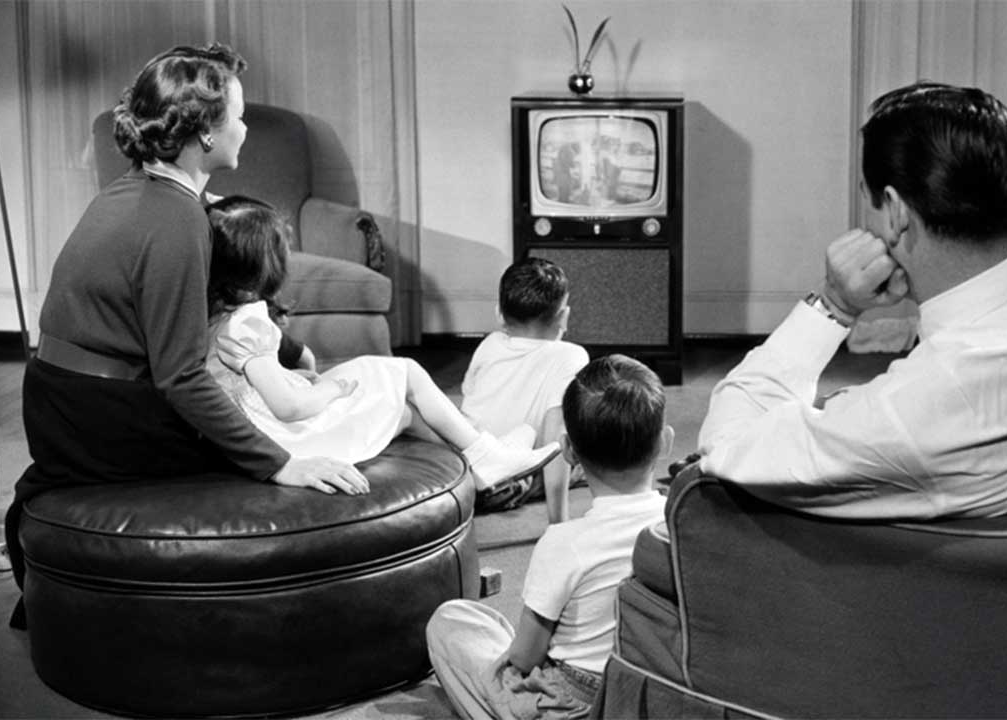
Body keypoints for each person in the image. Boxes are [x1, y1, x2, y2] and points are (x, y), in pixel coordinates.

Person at [3, 44, 366, 628]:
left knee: (252, 415)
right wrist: (278, 465)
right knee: (280, 433)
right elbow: (180, 376)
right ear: (205, 134)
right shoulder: (176, 221)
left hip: (59, 397)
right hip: (101, 414)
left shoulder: (140, 187)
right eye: (239, 117)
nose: (245, 129)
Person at [696, 80, 1007, 519]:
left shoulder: (903, 417)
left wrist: (834, 305)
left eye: (867, 201)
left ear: (895, 212)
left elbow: (725, 444)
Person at [205, 195, 559, 486]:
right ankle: (485, 455)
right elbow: (290, 408)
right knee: (406, 372)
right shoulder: (249, 322)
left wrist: (295, 378)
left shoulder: (217, 317)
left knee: (404, 411)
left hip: (274, 433)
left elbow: (257, 385)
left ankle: (484, 456)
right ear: (269, 266)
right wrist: (330, 390)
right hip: (292, 440)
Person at [426, 354, 671, 720]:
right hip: (647, 697)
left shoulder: (564, 543)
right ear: (665, 442)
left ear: (568, 450)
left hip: (573, 703)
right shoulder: (679, 526)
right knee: (490, 627)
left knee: (451, 621)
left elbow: (526, 657)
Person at [460, 257, 589, 520]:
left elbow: (469, 399)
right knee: (604, 451)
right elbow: (557, 435)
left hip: (467, 468)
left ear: (499, 313)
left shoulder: (489, 344)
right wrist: (558, 523)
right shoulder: (571, 356)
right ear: (564, 317)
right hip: (515, 477)